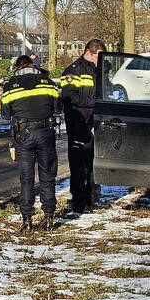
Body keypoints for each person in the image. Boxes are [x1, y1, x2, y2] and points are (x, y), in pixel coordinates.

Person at [0, 55, 60, 233]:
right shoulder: (48, 83)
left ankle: (27, 220)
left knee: (26, 179)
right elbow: (58, 108)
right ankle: (49, 217)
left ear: (17, 67)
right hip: (46, 133)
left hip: (23, 135)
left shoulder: (10, 85)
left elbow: (4, 114)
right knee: (47, 176)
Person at [60, 39, 105, 216]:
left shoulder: (98, 69)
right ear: (90, 52)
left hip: (96, 121)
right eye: (99, 57)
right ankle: (78, 199)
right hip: (79, 122)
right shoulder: (73, 70)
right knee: (79, 163)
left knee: (92, 160)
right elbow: (70, 97)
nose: (100, 61)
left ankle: (91, 194)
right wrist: (95, 102)